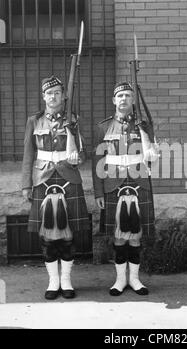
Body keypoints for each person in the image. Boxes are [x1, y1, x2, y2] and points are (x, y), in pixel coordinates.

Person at [22, 75, 90, 300]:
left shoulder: (74, 120)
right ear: (43, 96)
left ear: (64, 95)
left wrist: (72, 136)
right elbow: (28, 155)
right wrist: (26, 185)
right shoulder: (34, 121)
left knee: (68, 234)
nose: (53, 96)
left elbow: (82, 155)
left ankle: (67, 280)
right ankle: (53, 281)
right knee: (48, 235)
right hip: (43, 179)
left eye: (57, 92)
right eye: (49, 93)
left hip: (68, 178)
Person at [92, 81, 157, 296]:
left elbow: (153, 158)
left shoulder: (144, 125)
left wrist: (151, 146)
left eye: (128, 96)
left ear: (133, 100)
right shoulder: (103, 127)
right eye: (120, 96)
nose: (124, 99)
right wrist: (99, 192)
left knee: (136, 235)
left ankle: (135, 279)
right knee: (119, 236)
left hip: (139, 183)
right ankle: (120, 280)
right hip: (113, 186)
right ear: (114, 100)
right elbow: (97, 163)